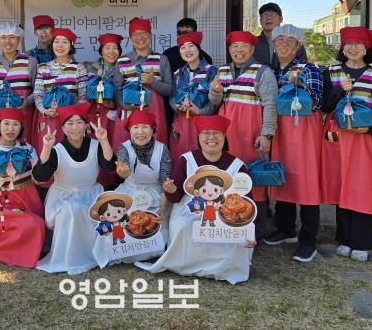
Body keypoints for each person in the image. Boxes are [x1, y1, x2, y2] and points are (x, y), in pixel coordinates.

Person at [137, 115, 255, 285]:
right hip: (190, 209)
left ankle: (222, 268)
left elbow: (247, 203)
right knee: (185, 225)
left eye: (216, 133)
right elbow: (176, 197)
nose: (211, 138)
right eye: (206, 133)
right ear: (199, 137)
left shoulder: (238, 166)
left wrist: (248, 232)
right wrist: (171, 191)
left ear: (224, 137)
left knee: (231, 235)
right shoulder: (187, 160)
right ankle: (184, 264)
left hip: (225, 213)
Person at [320, 26, 372, 262]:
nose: (353, 48)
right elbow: (324, 105)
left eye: (358, 44)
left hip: (365, 138)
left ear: (367, 47)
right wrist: (340, 89)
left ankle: (362, 241)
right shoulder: (331, 73)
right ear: (342, 48)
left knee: (362, 187)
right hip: (338, 139)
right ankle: (344, 238)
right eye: (348, 44)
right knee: (342, 186)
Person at [263, 24, 324, 263]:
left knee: (307, 183)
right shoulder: (271, 70)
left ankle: (308, 240)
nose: (284, 44)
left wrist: (299, 85)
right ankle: (286, 228)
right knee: (283, 177)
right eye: (280, 40)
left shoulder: (309, 68)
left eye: (291, 40)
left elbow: (317, 101)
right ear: (273, 44)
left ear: (298, 46)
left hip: (303, 132)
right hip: (280, 131)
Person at [209, 30, 277, 238]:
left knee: (254, 178)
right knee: (227, 175)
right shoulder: (222, 71)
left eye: (243, 46)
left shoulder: (263, 72)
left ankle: (256, 230)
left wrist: (266, 134)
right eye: (234, 46)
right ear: (229, 49)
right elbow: (215, 102)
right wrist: (215, 91)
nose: (238, 51)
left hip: (251, 133)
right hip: (226, 134)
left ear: (252, 49)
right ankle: (229, 225)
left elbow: (270, 104)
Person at [34, 103, 116, 275]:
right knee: (73, 209)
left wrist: (104, 140)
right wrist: (46, 147)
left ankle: (93, 254)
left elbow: (110, 166)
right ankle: (69, 258)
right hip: (64, 198)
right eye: (70, 123)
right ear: (63, 128)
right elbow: (40, 176)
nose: (75, 127)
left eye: (79, 122)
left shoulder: (95, 145)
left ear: (85, 125)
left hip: (92, 195)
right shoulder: (57, 150)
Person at [0, 108, 45, 268]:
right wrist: (1, 177)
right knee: (34, 224)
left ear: (21, 127)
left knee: (41, 225)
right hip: (1, 201)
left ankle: (28, 250)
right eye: (6, 124)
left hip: (27, 196)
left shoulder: (27, 149)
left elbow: (36, 175)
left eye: (15, 124)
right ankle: (11, 252)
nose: (10, 129)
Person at [113, 17, 172, 146]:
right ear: (130, 38)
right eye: (135, 34)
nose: (140, 37)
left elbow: (169, 90)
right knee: (127, 149)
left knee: (155, 148)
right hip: (129, 111)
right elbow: (117, 89)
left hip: (154, 112)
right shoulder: (122, 60)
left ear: (150, 35)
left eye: (143, 33)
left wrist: (153, 82)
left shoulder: (162, 59)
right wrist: (125, 105)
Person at [0, 22, 37, 148]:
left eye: (12, 37)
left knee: (23, 149)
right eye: (3, 37)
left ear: (19, 40)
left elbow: (37, 90)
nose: (7, 41)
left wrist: (27, 101)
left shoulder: (30, 61)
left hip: (23, 114)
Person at [32, 28, 88, 153]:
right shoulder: (43, 68)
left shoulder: (79, 68)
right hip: (48, 118)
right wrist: (45, 111)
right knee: (48, 153)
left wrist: (69, 113)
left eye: (64, 42)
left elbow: (83, 97)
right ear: (52, 44)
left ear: (71, 45)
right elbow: (38, 94)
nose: (60, 45)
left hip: (71, 121)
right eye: (57, 41)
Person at [169, 31, 218, 163]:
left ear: (198, 48)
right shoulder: (178, 73)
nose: (187, 50)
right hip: (182, 122)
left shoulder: (211, 71)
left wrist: (200, 111)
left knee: (201, 160)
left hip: (203, 122)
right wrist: (177, 106)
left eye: (191, 46)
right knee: (181, 159)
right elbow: (172, 97)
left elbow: (215, 102)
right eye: (183, 47)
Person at [114, 110, 172, 215]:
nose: (140, 132)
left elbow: (165, 180)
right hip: (129, 193)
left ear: (152, 129)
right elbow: (124, 167)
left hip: (155, 196)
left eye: (145, 127)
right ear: (129, 130)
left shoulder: (162, 149)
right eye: (135, 127)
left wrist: (162, 209)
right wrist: (124, 171)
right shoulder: (124, 147)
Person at [85, 32, 123, 187]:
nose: (111, 52)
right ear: (101, 50)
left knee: (115, 144)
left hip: (116, 113)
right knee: (96, 144)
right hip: (96, 112)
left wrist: (113, 102)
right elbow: (85, 91)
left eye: (115, 48)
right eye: (107, 48)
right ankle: (97, 181)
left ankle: (116, 181)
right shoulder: (90, 67)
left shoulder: (124, 67)